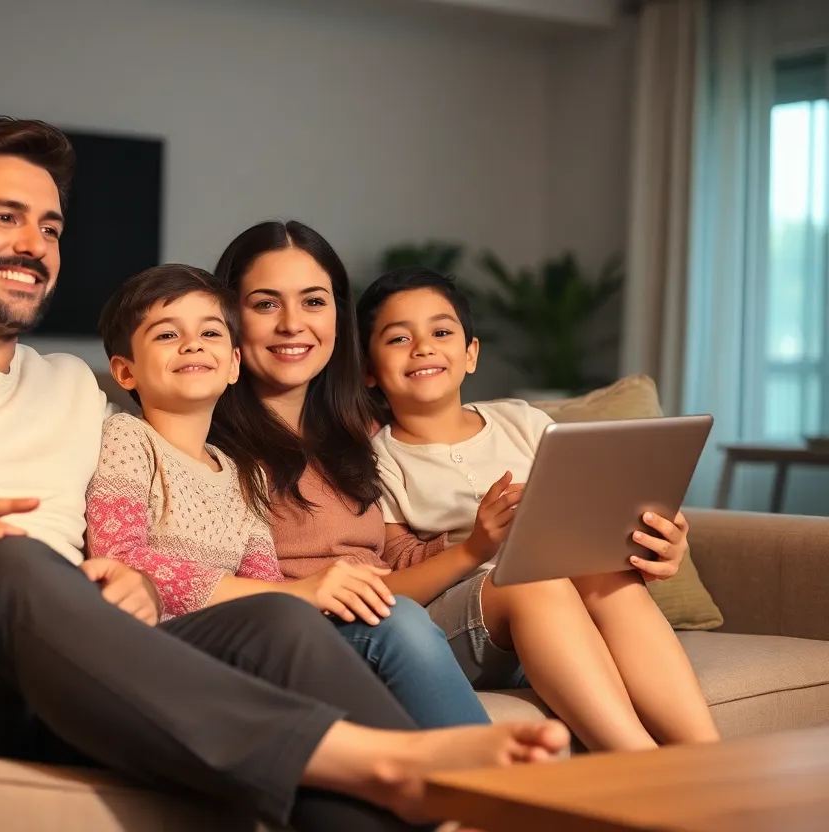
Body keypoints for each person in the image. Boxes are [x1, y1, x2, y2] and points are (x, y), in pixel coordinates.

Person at [0, 118, 567, 832]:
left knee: (278, 627)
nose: (36, 242)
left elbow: (158, 503)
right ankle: (386, 761)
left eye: (49, 225)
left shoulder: (72, 392)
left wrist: (127, 575)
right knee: (2, 566)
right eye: (4, 217)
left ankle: (432, 805)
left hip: (51, 655)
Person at [87, 263, 481, 733]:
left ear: (233, 364)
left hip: (250, 636)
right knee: (382, 626)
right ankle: (480, 780)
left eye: (210, 333)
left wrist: (312, 595)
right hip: (168, 641)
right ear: (125, 371)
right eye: (167, 335)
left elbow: (266, 584)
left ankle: (456, 774)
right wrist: (296, 593)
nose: (192, 344)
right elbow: (121, 558)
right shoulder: (128, 438)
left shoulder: (241, 472)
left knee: (393, 619)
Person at [353, 265, 721, 752]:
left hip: (563, 624)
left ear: (471, 354)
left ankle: (709, 756)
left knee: (606, 574)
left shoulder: (521, 421)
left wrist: (653, 546)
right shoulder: (378, 460)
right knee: (532, 578)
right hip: (467, 627)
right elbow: (395, 581)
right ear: (369, 371)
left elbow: (597, 518)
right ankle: (640, 761)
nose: (423, 347)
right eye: (399, 338)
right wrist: (479, 545)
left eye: (441, 332)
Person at [208, 220, 491, 731]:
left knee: (541, 589)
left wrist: (494, 531)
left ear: (339, 315)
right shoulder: (201, 433)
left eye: (314, 301)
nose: (293, 324)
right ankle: (495, 792)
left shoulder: (365, 428)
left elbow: (404, 551)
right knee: (397, 619)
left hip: (391, 615)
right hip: (298, 631)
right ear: (229, 315)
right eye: (266, 303)